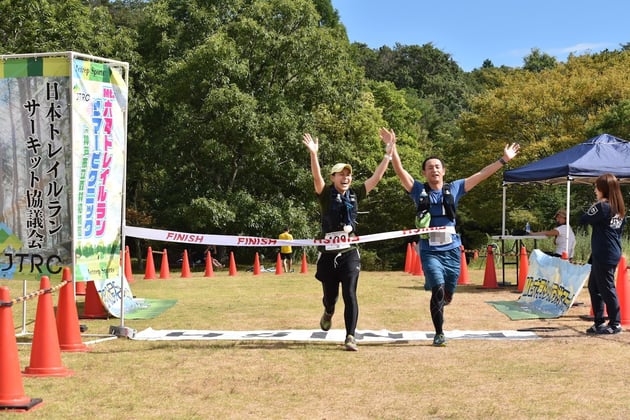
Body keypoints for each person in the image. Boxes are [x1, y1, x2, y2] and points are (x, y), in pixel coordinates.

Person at [382, 128, 520, 346]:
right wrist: (392, 148)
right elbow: (400, 171)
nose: (434, 170)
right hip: (429, 250)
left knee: (447, 293)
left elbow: (482, 174)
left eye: (437, 167)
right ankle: (439, 333)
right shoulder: (418, 190)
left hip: (453, 249)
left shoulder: (455, 188)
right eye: (429, 168)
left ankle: (445, 299)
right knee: (436, 288)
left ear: (443, 171)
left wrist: (503, 159)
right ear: (424, 173)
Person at [302, 131, 392, 351]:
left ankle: (350, 336)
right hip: (328, 254)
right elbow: (316, 178)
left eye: (348, 175)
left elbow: (376, 178)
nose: (345, 178)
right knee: (330, 296)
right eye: (340, 175)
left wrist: (388, 155)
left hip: (349, 252)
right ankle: (328, 311)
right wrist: (314, 154)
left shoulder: (356, 193)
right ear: (333, 178)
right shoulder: (325, 194)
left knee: (350, 293)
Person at [580, 173, 626, 335]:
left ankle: (615, 322)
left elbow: (583, 219)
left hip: (604, 252)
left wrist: (595, 205)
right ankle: (599, 322)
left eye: (596, 187)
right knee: (595, 287)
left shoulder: (602, 206)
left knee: (606, 288)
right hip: (611, 250)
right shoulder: (618, 208)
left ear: (603, 189)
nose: (594, 190)